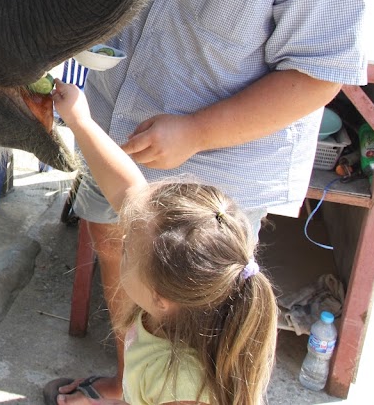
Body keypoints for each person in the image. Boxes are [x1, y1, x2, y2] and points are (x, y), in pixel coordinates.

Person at [60, 0, 370, 400]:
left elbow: (321, 73)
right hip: (119, 115)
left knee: (202, 317)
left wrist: (198, 130)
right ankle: (131, 383)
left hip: (219, 164)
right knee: (119, 256)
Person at [45, 80, 277, 405]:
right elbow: (126, 192)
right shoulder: (167, 304)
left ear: (160, 297)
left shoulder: (184, 389)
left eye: (127, 251)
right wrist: (80, 120)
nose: (123, 238)